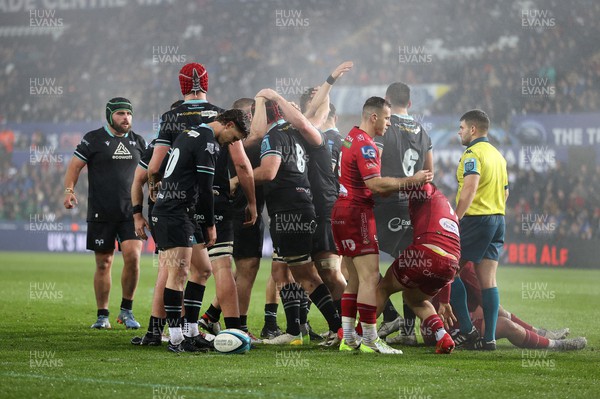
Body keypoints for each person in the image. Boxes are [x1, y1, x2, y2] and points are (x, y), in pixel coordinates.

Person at [331, 96, 432, 354]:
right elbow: (374, 184)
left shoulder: (350, 136)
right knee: (369, 279)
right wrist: (411, 180)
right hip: (358, 214)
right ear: (374, 117)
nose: (389, 123)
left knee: (353, 279)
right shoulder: (366, 145)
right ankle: (370, 340)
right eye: (387, 118)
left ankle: (349, 338)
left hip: (341, 212)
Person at [151, 109, 249, 353]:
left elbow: (163, 170)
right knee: (179, 274)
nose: (233, 143)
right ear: (227, 124)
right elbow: (206, 189)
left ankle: (191, 331)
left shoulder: (188, 133)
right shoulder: (208, 143)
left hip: (181, 211)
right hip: (174, 213)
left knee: (203, 270)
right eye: (235, 137)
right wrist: (210, 224)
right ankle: (175, 339)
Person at [250, 93, 342, 345]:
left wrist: (239, 179)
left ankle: (336, 328)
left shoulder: (274, 135)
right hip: (304, 207)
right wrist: (329, 83)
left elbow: (268, 172)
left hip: (288, 210)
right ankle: (299, 329)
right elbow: (314, 116)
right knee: (290, 272)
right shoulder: (297, 133)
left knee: (306, 276)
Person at [63, 97, 146, 329]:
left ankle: (126, 312)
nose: (125, 118)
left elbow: (151, 171)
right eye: (120, 114)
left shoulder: (139, 141)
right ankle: (102, 316)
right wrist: (69, 190)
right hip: (101, 211)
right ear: (110, 116)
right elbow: (74, 166)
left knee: (133, 257)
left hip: (131, 212)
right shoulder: (93, 139)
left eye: (128, 114)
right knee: (103, 263)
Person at [374, 82, 434, 345]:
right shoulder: (422, 131)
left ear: (387, 101)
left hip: (385, 201)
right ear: (410, 103)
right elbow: (430, 173)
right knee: (407, 265)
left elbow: (372, 166)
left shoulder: (384, 126)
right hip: (413, 205)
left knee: (356, 259)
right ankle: (409, 331)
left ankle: (388, 316)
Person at [374, 183, 459, 354]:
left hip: (427, 253)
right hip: (450, 266)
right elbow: (446, 254)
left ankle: (362, 332)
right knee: (414, 298)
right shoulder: (447, 209)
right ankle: (442, 336)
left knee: (383, 287)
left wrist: (385, 187)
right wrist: (444, 300)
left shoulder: (427, 189)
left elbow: (421, 186)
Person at [450, 109, 508, 350]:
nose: (459, 132)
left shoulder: (472, 153)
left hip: (476, 220)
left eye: (462, 127)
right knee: (489, 281)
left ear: (473, 129)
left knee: (448, 273)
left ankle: (467, 330)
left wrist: (455, 218)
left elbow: (470, 188)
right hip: (498, 219)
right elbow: (506, 192)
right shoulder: (497, 155)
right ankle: (490, 339)